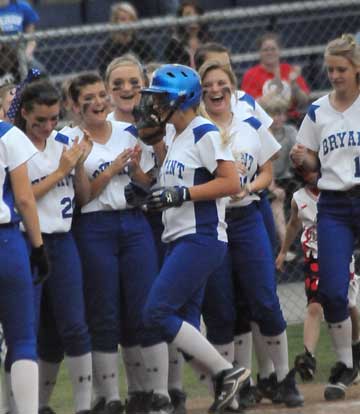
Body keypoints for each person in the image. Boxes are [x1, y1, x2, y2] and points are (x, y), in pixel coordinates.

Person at [127, 63, 251, 413]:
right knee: (183, 323)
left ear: (180, 100)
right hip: (180, 238)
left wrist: (180, 195)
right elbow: (174, 190)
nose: (152, 105)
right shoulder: (177, 137)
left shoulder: (203, 132)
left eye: (160, 98)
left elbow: (230, 183)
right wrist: (150, 194)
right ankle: (227, 394)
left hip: (201, 237)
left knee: (155, 312)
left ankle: (229, 372)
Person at [198, 60, 303, 409]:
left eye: (221, 84)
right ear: (200, 92)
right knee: (222, 309)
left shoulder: (249, 122)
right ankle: (232, 385)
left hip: (245, 218)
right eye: (208, 85)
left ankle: (285, 377)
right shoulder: (195, 130)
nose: (215, 91)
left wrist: (250, 188)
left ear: (233, 88)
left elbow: (267, 171)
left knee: (264, 299)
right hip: (211, 225)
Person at [67, 72, 168, 414]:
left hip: (134, 222)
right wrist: (110, 170)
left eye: (100, 95)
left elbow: (146, 184)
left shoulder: (127, 131)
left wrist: (137, 169)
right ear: (74, 105)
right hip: (94, 227)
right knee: (104, 311)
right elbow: (82, 199)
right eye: (88, 98)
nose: (98, 102)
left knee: (145, 306)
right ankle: (109, 395)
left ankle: (158, 392)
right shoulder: (70, 138)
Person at [13, 79, 93, 414]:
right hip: (27, 243)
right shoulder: (13, 144)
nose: (48, 126)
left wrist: (78, 169)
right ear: (25, 114)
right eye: (39, 120)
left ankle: (84, 406)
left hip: (63, 240)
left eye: (53, 119)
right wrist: (62, 168)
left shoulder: (65, 140)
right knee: (27, 330)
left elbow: (84, 197)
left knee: (75, 325)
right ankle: (23, 407)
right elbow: (23, 199)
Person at [290, 33, 360, 401]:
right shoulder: (318, 111)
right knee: (331, 290)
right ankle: (347, 364)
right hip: (333, 203)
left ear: (357, 68)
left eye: (341, 69)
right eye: (330, 69)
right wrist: (303, 160)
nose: (334, 75)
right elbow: (313, 161)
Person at [275, 170, 360, 383]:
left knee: (348, 305)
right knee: (314, 305)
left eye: (314, 170)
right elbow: (293, 224)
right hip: (314, 259)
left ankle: (356, 345)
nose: (311, 175)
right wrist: (284, 251)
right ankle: (309, 356)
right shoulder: (299, 198)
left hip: (340, 256)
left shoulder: (338, 192)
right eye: (307, 172)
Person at [0, 118, 48, 414]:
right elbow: (24, 198)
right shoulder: (6, 132)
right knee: (22, 340)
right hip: (5, 242)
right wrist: (39, 247)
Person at [241, 32, 310, 125]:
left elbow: (304, 101)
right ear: (259, 52)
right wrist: (275, 92)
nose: (269, 52)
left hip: (291, 119)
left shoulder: (289, 70)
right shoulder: (251, 75)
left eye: (273, 49)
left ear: (279, 51)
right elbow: (250, 106)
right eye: (265, 50)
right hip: (264, 121)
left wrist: (294, 86)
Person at [260, 94, 298, 258]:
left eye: (280, 113)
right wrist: (272, 187)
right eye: (272, 114)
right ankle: (285, 246)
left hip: (288, 178)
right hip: (267, 180)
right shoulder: (262, 134)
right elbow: (263, 167)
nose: (277, 118)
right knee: (277, 199)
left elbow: (297, 158)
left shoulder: (289, 131)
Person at [97, 2, 155, 77]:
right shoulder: (107, 48)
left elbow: (151, 69)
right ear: (115, 22)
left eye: (131, 19)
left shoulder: (142, 45)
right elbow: (104, 74)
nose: (128, 22)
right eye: (123, 19)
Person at [163, 0, 210, 68]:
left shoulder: (209, 41)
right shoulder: (174, 45)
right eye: (188, 14)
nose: (193, 17)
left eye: (196, 13)